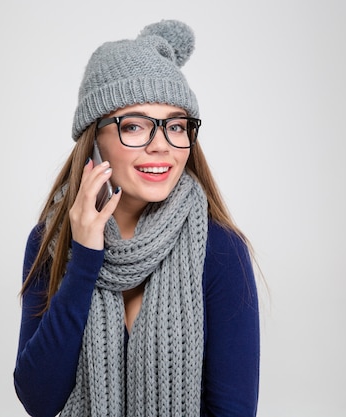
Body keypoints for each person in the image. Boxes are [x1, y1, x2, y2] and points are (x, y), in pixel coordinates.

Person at [14, 19, 261, 417]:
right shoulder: (51, 241)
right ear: (94, 138)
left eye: (176, 126)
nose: (161, 146)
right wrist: (84, 260)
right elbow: (39, 401)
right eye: (134, 126)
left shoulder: (219, 251)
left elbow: (233, 410)